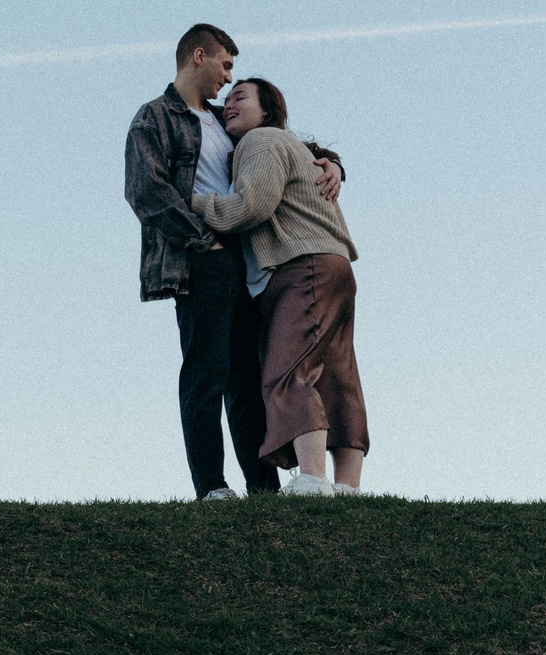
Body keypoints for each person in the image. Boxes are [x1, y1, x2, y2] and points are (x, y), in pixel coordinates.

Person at [123, 25, 342, 500]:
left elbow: (288, 144)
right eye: (225, 65)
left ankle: (261, 489)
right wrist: (203, 239)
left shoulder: (226, 121)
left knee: (247, 378)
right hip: (201, 261)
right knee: (206, 372)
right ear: (198, 57)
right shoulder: (156, 117)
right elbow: (145, 191)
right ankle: (212, 487)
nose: (228, 78)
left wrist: (334, 163)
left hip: (247, 264)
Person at [193, 77, 368, 496]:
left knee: (290, 370)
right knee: (338, 375)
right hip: (335, 266)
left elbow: (251, 207)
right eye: (227, 97)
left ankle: (311, 479)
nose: (229, 103)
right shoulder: (291, 147)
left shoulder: (261, 141)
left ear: (267, 110)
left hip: (300, 267)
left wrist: (195, 201)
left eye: (241, 97)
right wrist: (337, 164)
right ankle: (347, 486)